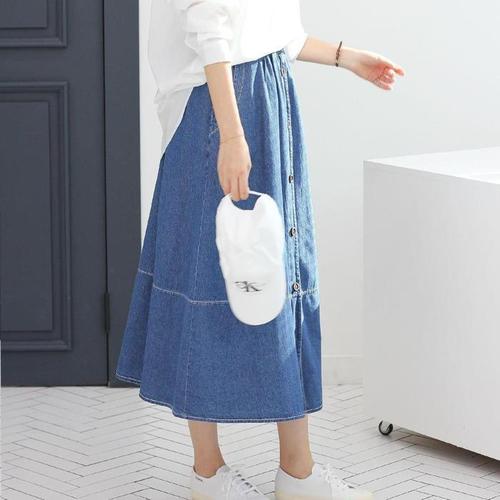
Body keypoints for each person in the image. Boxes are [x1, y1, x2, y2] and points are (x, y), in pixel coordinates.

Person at [115, 1, 405, 498]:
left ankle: (297, 471)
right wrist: (231, 135)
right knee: (208, 276)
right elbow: (209, 29)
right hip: (217, 107)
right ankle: (208, 473)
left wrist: (346, 56)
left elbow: (272, 32)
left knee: (281, 275)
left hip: (269, 98)